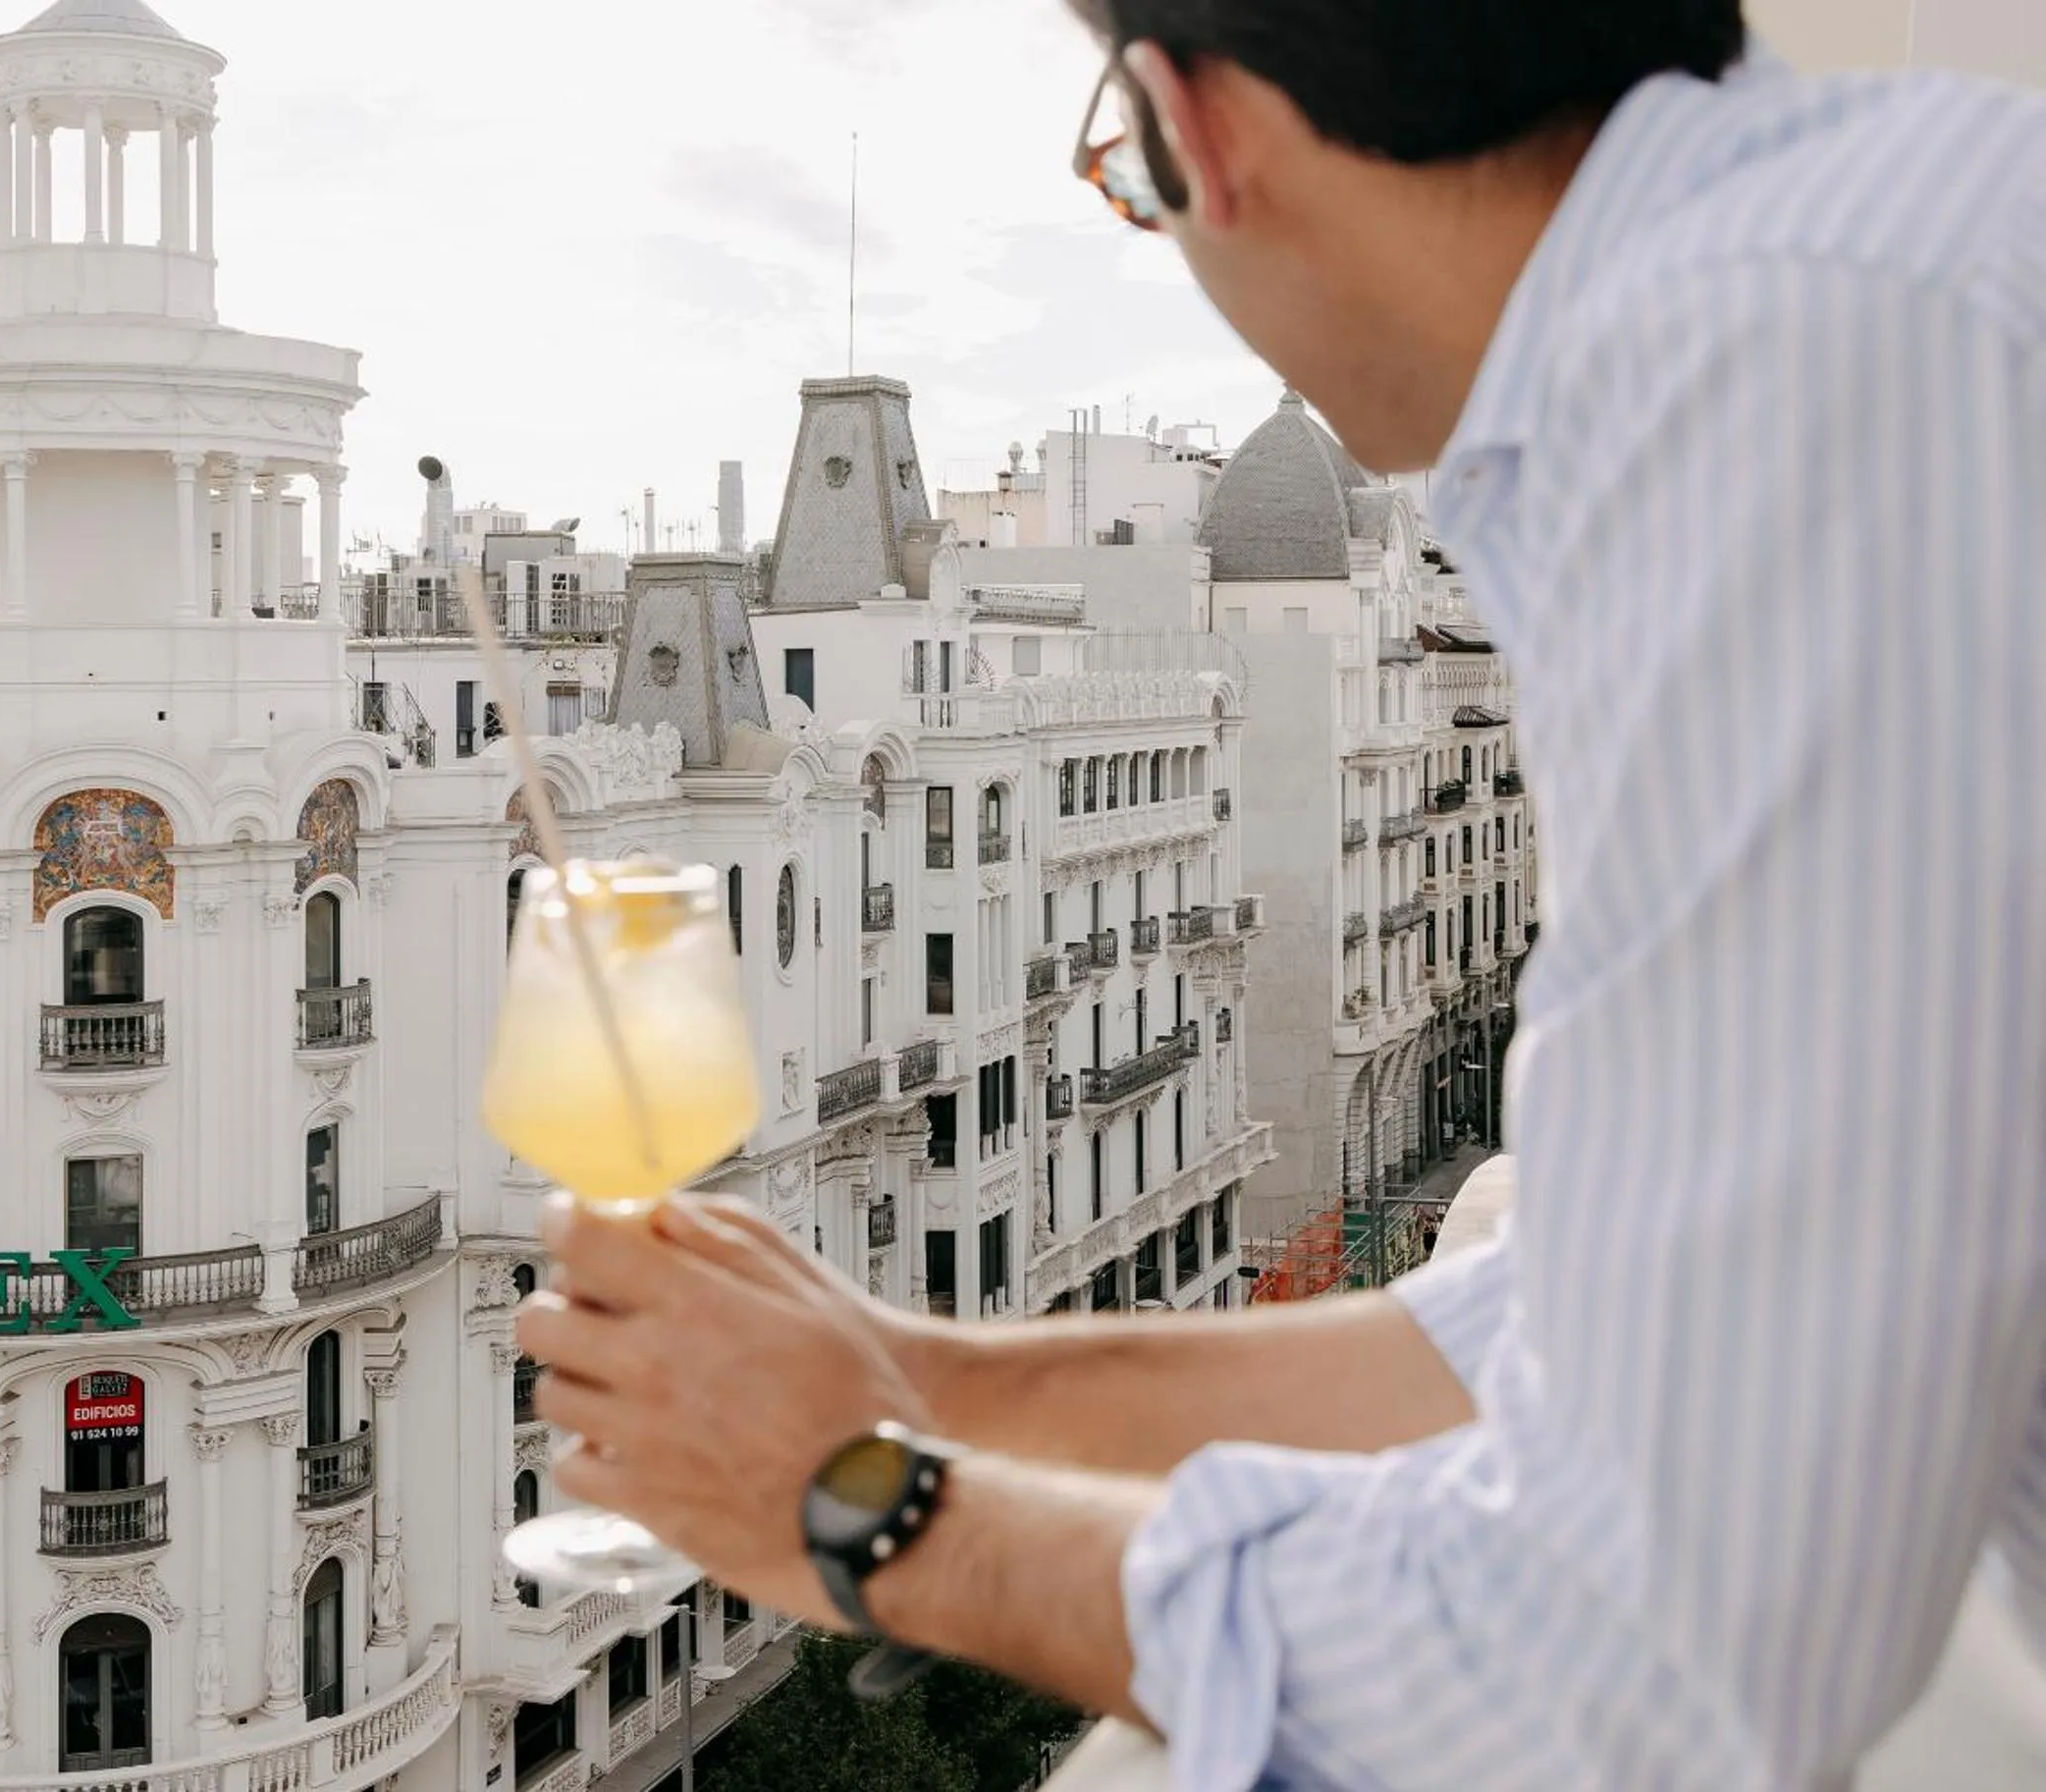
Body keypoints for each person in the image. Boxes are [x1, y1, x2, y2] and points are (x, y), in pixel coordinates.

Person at [512, 2, 2046, 1786]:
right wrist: (920, 1382)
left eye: (1124, 172)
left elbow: (1638, 1662)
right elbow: (1610, 1319)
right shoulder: (1856, 289)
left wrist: (867, 1512)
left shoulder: (1782, 399)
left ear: (1196, 127)